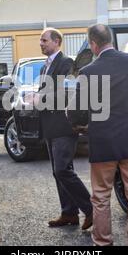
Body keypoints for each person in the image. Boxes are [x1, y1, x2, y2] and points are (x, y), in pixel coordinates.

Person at [68, 24, 128, 246]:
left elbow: (77, 112)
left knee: (100, 196)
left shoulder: (88, 72)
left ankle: (102, 243)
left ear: (93, 44)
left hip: (105, 140)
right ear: (110, 39)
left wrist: (78, 122)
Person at [31, 28, 93, 230]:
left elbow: (67, 92)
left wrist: (42, 98)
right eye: (41, 40)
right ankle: (69, 213)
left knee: (62, 170)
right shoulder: (43, 68)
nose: (41, 43)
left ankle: (91, 210)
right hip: (49, 126)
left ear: (57, 42)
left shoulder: (67, 63)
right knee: (59, 171)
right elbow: (45, 93)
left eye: (44, 40)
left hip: (64, 125)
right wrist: (34, 99)